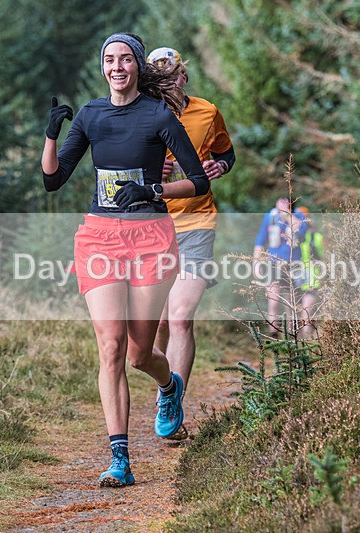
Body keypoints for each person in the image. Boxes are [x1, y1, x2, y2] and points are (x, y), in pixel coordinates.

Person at [40, 32, 210, 488]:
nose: (117, 67)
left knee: (138, 353)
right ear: (103, 67)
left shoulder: (158, 115)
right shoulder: (91, 115)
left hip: (150, 237)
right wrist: (52, 136)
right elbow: (53, 180)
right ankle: (120, 459)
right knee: (111, 346)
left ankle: (169, 385)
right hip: (99, 238)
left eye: (125, 59)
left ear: (137, 65)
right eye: (109, 60)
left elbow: (198, 181)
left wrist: (151, 190)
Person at [148, 47, 235, 440]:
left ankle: (171, 403)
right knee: (161, 323)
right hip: (153, 226)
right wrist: (151, 169)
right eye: (159, 79)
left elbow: (226, 152)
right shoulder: (142, 113)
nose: (168, 84)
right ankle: (166, 386)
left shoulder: (207, 112)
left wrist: (221, 165)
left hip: (197, 222)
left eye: (173, 76)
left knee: (181, 317)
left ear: (183, 76)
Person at [253, 197, 307, 333]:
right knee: (273, 301)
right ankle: (274, 335)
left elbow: (300, 231)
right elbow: (260, 241)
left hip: (293, 264)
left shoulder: (299, 215)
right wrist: (256, 263)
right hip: (273, 263)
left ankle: (292, 336)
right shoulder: (270, 216)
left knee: (291, 303)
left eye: (285, 201)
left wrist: (286, 214)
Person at [296, 206, 325, 339]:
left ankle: (303, 335)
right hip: (310, 274)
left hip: (302, 272)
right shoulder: (313, 236)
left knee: (303, 306)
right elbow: (322, 255)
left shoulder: (300, 235)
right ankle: (306, 335)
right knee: (307, 306)